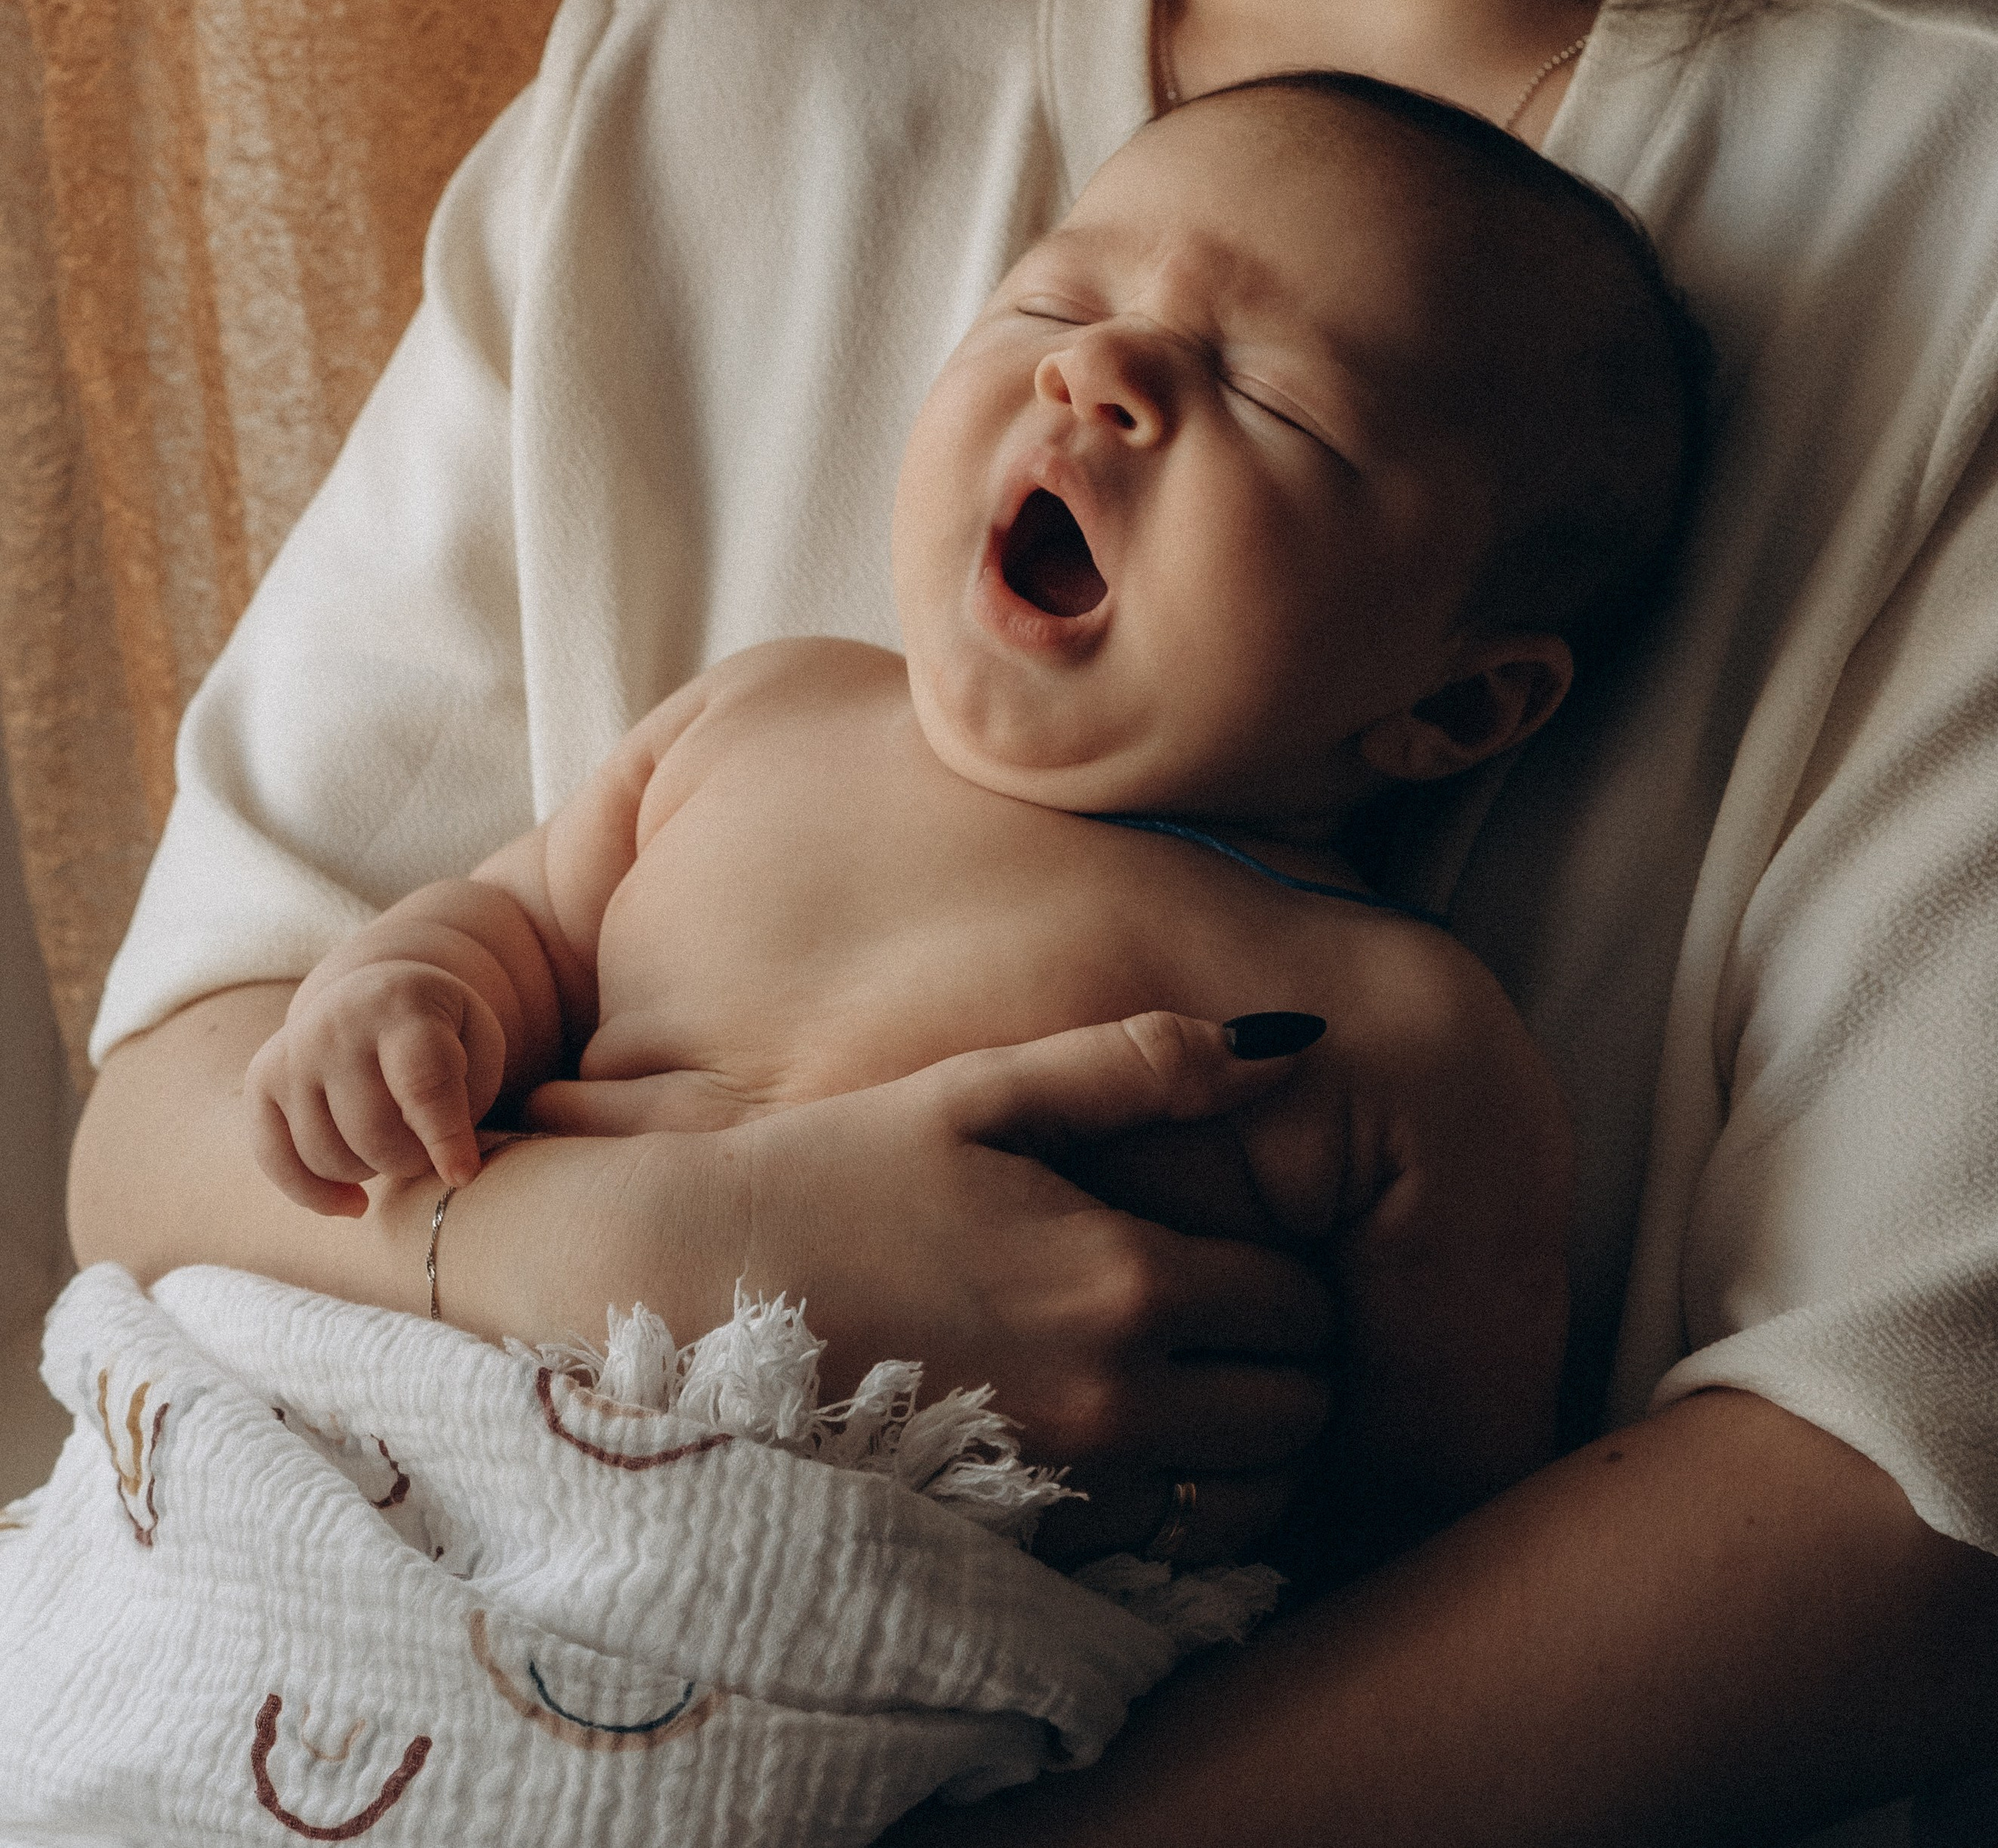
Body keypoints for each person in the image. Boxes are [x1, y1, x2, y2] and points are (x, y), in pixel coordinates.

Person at [65, 0, 1998, 1838]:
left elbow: (1902, 1482)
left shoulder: (1942, 204)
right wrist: (660, 1248)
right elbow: (177, 1116)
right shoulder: (685, 112)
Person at [241, 75, 1703, 1558]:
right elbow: (523, 926)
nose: (1101, 369)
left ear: (1457, 709)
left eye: (1272, 395)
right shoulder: (767, 713)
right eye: (1056, 304)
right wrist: (401, 996)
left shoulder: (1398, 1031)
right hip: (448, 1460)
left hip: (924, 1637)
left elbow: (1435, 1556)